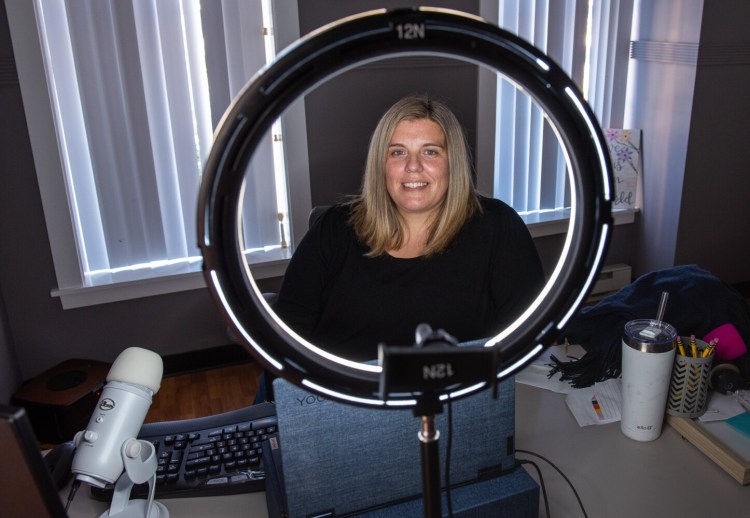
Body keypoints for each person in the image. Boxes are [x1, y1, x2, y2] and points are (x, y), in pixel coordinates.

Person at [273, 94, 545, 362]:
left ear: (453, 163)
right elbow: (288, 333)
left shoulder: (498, 227)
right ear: (381, 165)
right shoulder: (334, 228)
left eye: (430, 151)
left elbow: (526, 339)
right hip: (337, 398)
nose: (413, 166)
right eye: (398, 152)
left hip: (457, 400)